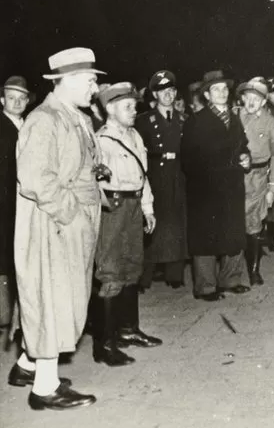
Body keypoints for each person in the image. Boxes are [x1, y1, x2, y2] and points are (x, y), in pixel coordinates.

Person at [11, 47, 103, 410]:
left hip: (68, 222)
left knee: (61, 300)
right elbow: (34, 178)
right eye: (90, 80)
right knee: (50, 299)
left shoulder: (74, 116)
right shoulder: (45, 118)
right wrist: (73, 215)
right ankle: (44, 389)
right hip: (53, 224)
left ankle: (26, 367)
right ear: (65, 81)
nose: (94, 88)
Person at [91, 82, 161, 367]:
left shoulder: (134, 136)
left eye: (134, 105)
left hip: (133, 205)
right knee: (110, 271)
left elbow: (142, 175)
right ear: (110, 109)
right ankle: (105, 344)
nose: (134, 111)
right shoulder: (101, 141)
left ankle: (128, 330)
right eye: (127, 106)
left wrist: (147, 207)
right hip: (113, 208)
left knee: (132, 266)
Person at [181, 70, 251, 301]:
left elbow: (243, 146)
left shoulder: (234, 118)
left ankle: (231, 279)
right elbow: (189, 160)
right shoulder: (196, 122)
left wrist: (245, 156)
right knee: (206, 237)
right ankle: (206, 286)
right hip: (206, 189)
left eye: (224, 89)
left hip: (232, 186)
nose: (222, 93)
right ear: (207, 96)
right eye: (216, 90)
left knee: (232, 232)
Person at [135, 70, 189, 291]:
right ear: (154, 95)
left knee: (177, 224)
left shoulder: (184, 119)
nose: (168, 94)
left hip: (178, 175)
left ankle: (174, 275)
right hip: (155, 178)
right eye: (162, 91)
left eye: (171, 90)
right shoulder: (144, 121)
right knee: (152, 227)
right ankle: (144, 277)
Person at [238, 78, 274, 286]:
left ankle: (254, 270)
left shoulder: (271, 124)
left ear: (264, 101)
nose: (251, 102)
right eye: (247, 97)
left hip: (258, 179)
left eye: (256, 98)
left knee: (254, 223)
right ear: (242, 99)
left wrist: (272, 188)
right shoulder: (234, 116)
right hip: (234, 176)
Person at [1, 76, 32, 329]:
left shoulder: (27, 125)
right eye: (11, 98)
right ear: (2, 100)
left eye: (22, 98)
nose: (17, 102)